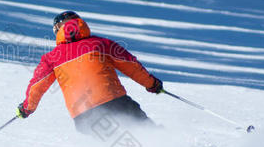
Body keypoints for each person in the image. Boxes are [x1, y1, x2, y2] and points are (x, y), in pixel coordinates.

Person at [16, 11, 163, 135]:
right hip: (114, 102)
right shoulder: (102, 44)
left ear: (57, 31)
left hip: (83, 115)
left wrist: (27, 108)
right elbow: (132, 66)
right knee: (147, 133)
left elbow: (37, 86)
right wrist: (153, 84)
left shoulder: (51, 58)